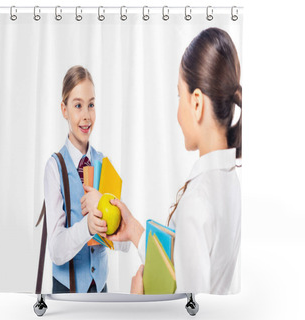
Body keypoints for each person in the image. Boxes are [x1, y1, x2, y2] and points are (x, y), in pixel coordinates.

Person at [82, 27, 242, 294]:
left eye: (180, 95)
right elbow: (183, 271)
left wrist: (138, 304)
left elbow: (188, 309)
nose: (178, 113)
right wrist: (133, 230)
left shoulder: (198, 201)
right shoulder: (230, 181)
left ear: (197, 103)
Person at [44, 65, 129, 294]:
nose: (86, 116)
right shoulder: (55, 168)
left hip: (101, 289)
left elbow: (123, 242)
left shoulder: (104, 164)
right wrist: (88, 227)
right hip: (66, 290)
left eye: (91, 105)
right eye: (78, 105)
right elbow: (56, 250)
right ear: (64, 109)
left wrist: (116, 226)